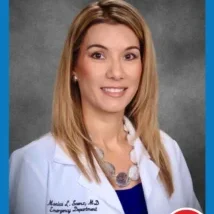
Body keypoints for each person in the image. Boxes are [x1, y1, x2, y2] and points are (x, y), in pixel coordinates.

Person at [9, 0, 202, 214]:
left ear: (142, 66)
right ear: (74, 66)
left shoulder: (168, 150)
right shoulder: (33, 163)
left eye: (129, 56)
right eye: (98, 55)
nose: (116, 73)